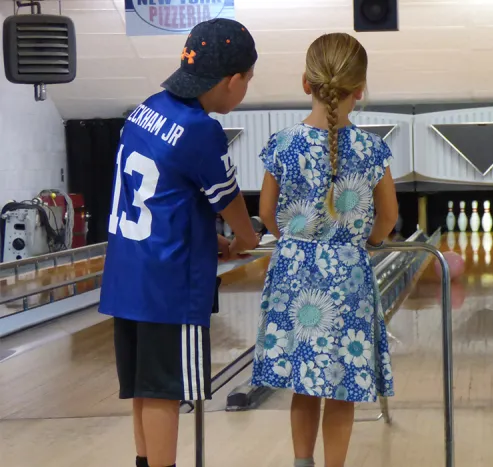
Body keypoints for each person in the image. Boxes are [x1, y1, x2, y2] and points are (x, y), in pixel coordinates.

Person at [98, 18, 261, 467]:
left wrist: (212, 240)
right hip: (171, 286)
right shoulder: (201, 129)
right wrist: (246, 240)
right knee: (167, 393)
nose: (246, 88)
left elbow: (166, 201)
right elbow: (233, 211)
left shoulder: (145, 109)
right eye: (247, 80)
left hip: (128, 276)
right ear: (231, 82)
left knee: (144, 389)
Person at [252, 33, 399, 467]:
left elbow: (266, 212)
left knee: (304, 381)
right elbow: (387, 218)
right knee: (342, 383)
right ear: (360, 89)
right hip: (348, 275)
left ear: (305, 83)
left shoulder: (282, 143)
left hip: (294, 274)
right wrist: (366, 242)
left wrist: (295, 241)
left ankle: (302, 463)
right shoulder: (372, 149)